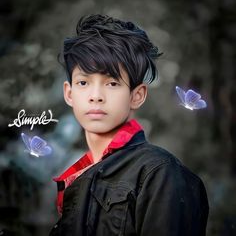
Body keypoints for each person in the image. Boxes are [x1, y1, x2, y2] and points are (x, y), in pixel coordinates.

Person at [49, 14, 209, 236]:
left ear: (137, 95)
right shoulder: (76, 177)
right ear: (69, 93)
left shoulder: (161, 174)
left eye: (112, 83)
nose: (96, 96)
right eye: (83, 82)